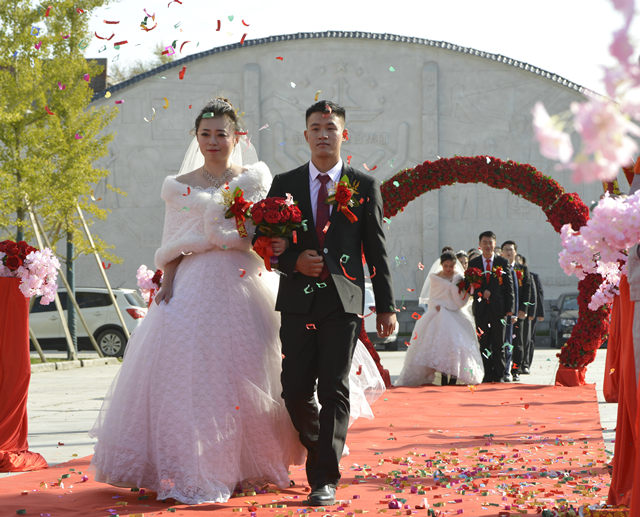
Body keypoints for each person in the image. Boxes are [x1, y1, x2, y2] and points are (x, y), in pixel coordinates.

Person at [260, 100, 396, 507]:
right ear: (306, 135)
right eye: (316, 128)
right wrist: (293, 261)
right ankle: (322, 450)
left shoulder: (364, 186)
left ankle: (324, 479)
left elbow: (376, 249)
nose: (323, 134)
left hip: (344, 301)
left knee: (334, 387)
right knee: (294, 389)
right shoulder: (284, 184)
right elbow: (266, 245)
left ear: (343, 134)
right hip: (297, 302)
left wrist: (386, 306)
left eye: (330, 128)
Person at [395, 251, 484, 387]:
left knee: (456, 345)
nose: (448, 269)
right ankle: (442, 375)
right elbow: (433, 297)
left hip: (455, 313)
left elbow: (461, 300)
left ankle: (454, 375)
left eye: (451, 266)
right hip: (438, 313)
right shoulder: (435, 278)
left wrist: (456, 287)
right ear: (442, 265)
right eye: (446, 266)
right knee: (439, 345)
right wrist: (435, 306)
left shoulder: (459, 278)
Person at [467, 231, 515, 383]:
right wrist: (481, 293)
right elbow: (470, 287)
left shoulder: (502, 262)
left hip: (498, 310)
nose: (487, 245)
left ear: (495, 244)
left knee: (498, 343)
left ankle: (499, 374)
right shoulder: (474, 263)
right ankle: (486, 374)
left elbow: (509, 288)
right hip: (481, 310)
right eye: (484, 242)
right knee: (484, 343)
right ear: (479, 245)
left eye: (490, 242)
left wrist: (510, 310)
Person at [500, 241, 535, 382]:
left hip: (518, 311)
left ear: (515, 252)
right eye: (506, 250)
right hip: (503, 311)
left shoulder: (522, 269)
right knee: (502, 341)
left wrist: (523, 309)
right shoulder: (499, 268)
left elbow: (527, 290)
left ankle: (516, 370)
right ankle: (503, 369)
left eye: (511, 250)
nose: (508, 252)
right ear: (502, 252)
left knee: (518, 342)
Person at [516, 254, 544, 374]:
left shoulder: (531, 276)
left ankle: (525, 363)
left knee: (527, 339)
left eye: (519, 261)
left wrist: (534, 312)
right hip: (513, 312)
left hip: (527, 313)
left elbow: (536, 296)